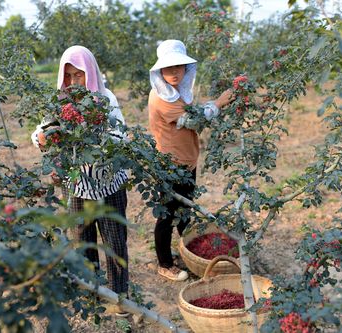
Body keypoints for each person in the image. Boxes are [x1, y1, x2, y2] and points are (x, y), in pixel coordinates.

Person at [31, 46, 129, 311]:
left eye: (80, 75)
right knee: (82, 241)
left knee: (115, 242)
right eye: (70, 76)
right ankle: (91, 291)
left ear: (90, 73)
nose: (75, 82)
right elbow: (40, 132)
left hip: (108, 184)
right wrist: (42, 138)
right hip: (76, 186)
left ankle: (120, 297)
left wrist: (96, 140)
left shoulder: (105, 99)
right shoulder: (60, 103)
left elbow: (121, 137)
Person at [148, 39, 234, 281]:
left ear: (186, 69)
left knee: (184, 211)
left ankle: (192, 253)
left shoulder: (178, 94)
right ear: (160, 71)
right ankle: (164, 264)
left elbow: (193, 114)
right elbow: (194, 120)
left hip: (187, 162)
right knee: (166, 215)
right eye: (168, 68)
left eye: (179, 67)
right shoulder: (161, 99)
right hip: (169, 166)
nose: (174, 72)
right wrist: (218, 103)